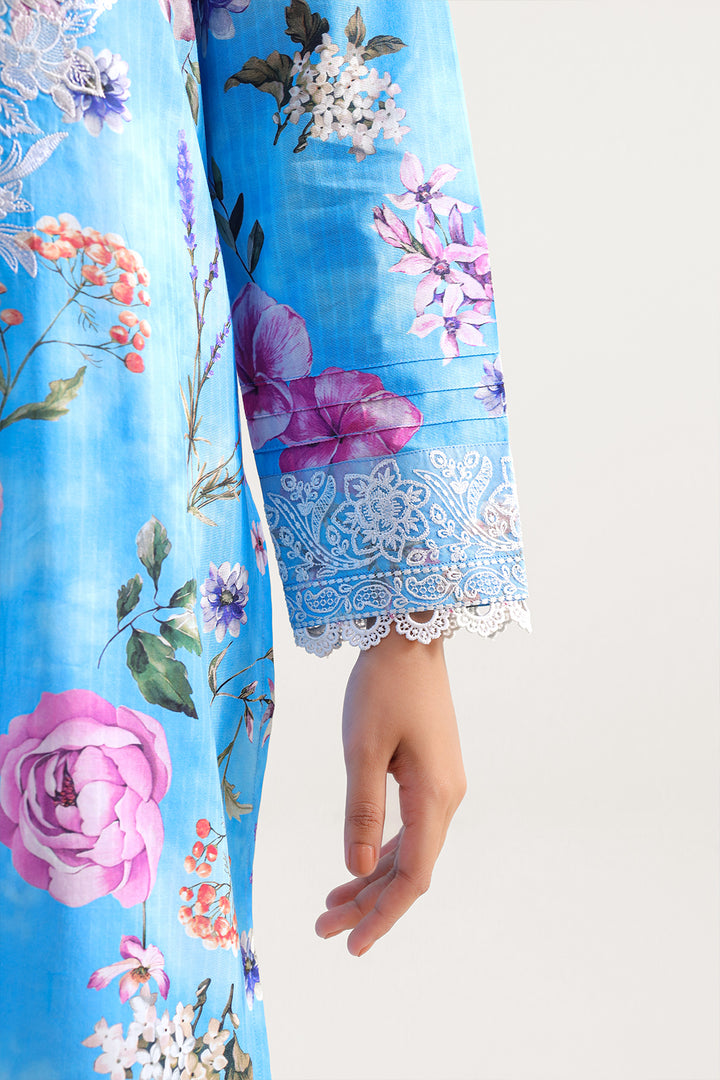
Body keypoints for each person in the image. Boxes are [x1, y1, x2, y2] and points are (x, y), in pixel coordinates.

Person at [0, 1, 530, 1076]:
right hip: (85, 421)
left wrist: (405, 615)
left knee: (77, 972)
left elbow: (329, 63)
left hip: (79, 454)